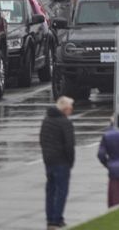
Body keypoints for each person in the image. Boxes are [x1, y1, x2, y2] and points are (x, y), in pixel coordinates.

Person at [41, 96, 75, 230]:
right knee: (62, 191)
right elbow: (69, 145)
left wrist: (46, 156)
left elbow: (42, 140)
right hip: (61, 162)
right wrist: (70, 161)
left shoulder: (46, 120)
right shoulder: (65, 122)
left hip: (48, 161)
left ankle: (51, 218)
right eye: (70, 107)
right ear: (65, 109)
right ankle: (56, 219)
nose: (72, 110)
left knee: (50, 190)